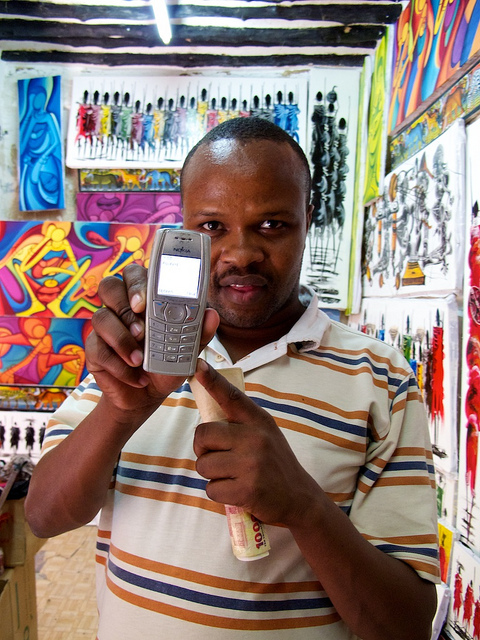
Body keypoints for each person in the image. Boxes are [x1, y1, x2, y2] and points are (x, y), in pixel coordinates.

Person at [25, 117, 439, 640]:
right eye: (211, 227)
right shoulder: (138, 353)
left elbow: (406, 625)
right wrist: (122, 410)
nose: (241, 253)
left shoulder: (382, 379)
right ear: (182, 226)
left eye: (272, 224)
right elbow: (43, 516)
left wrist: (305, 507)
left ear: (308, 219)